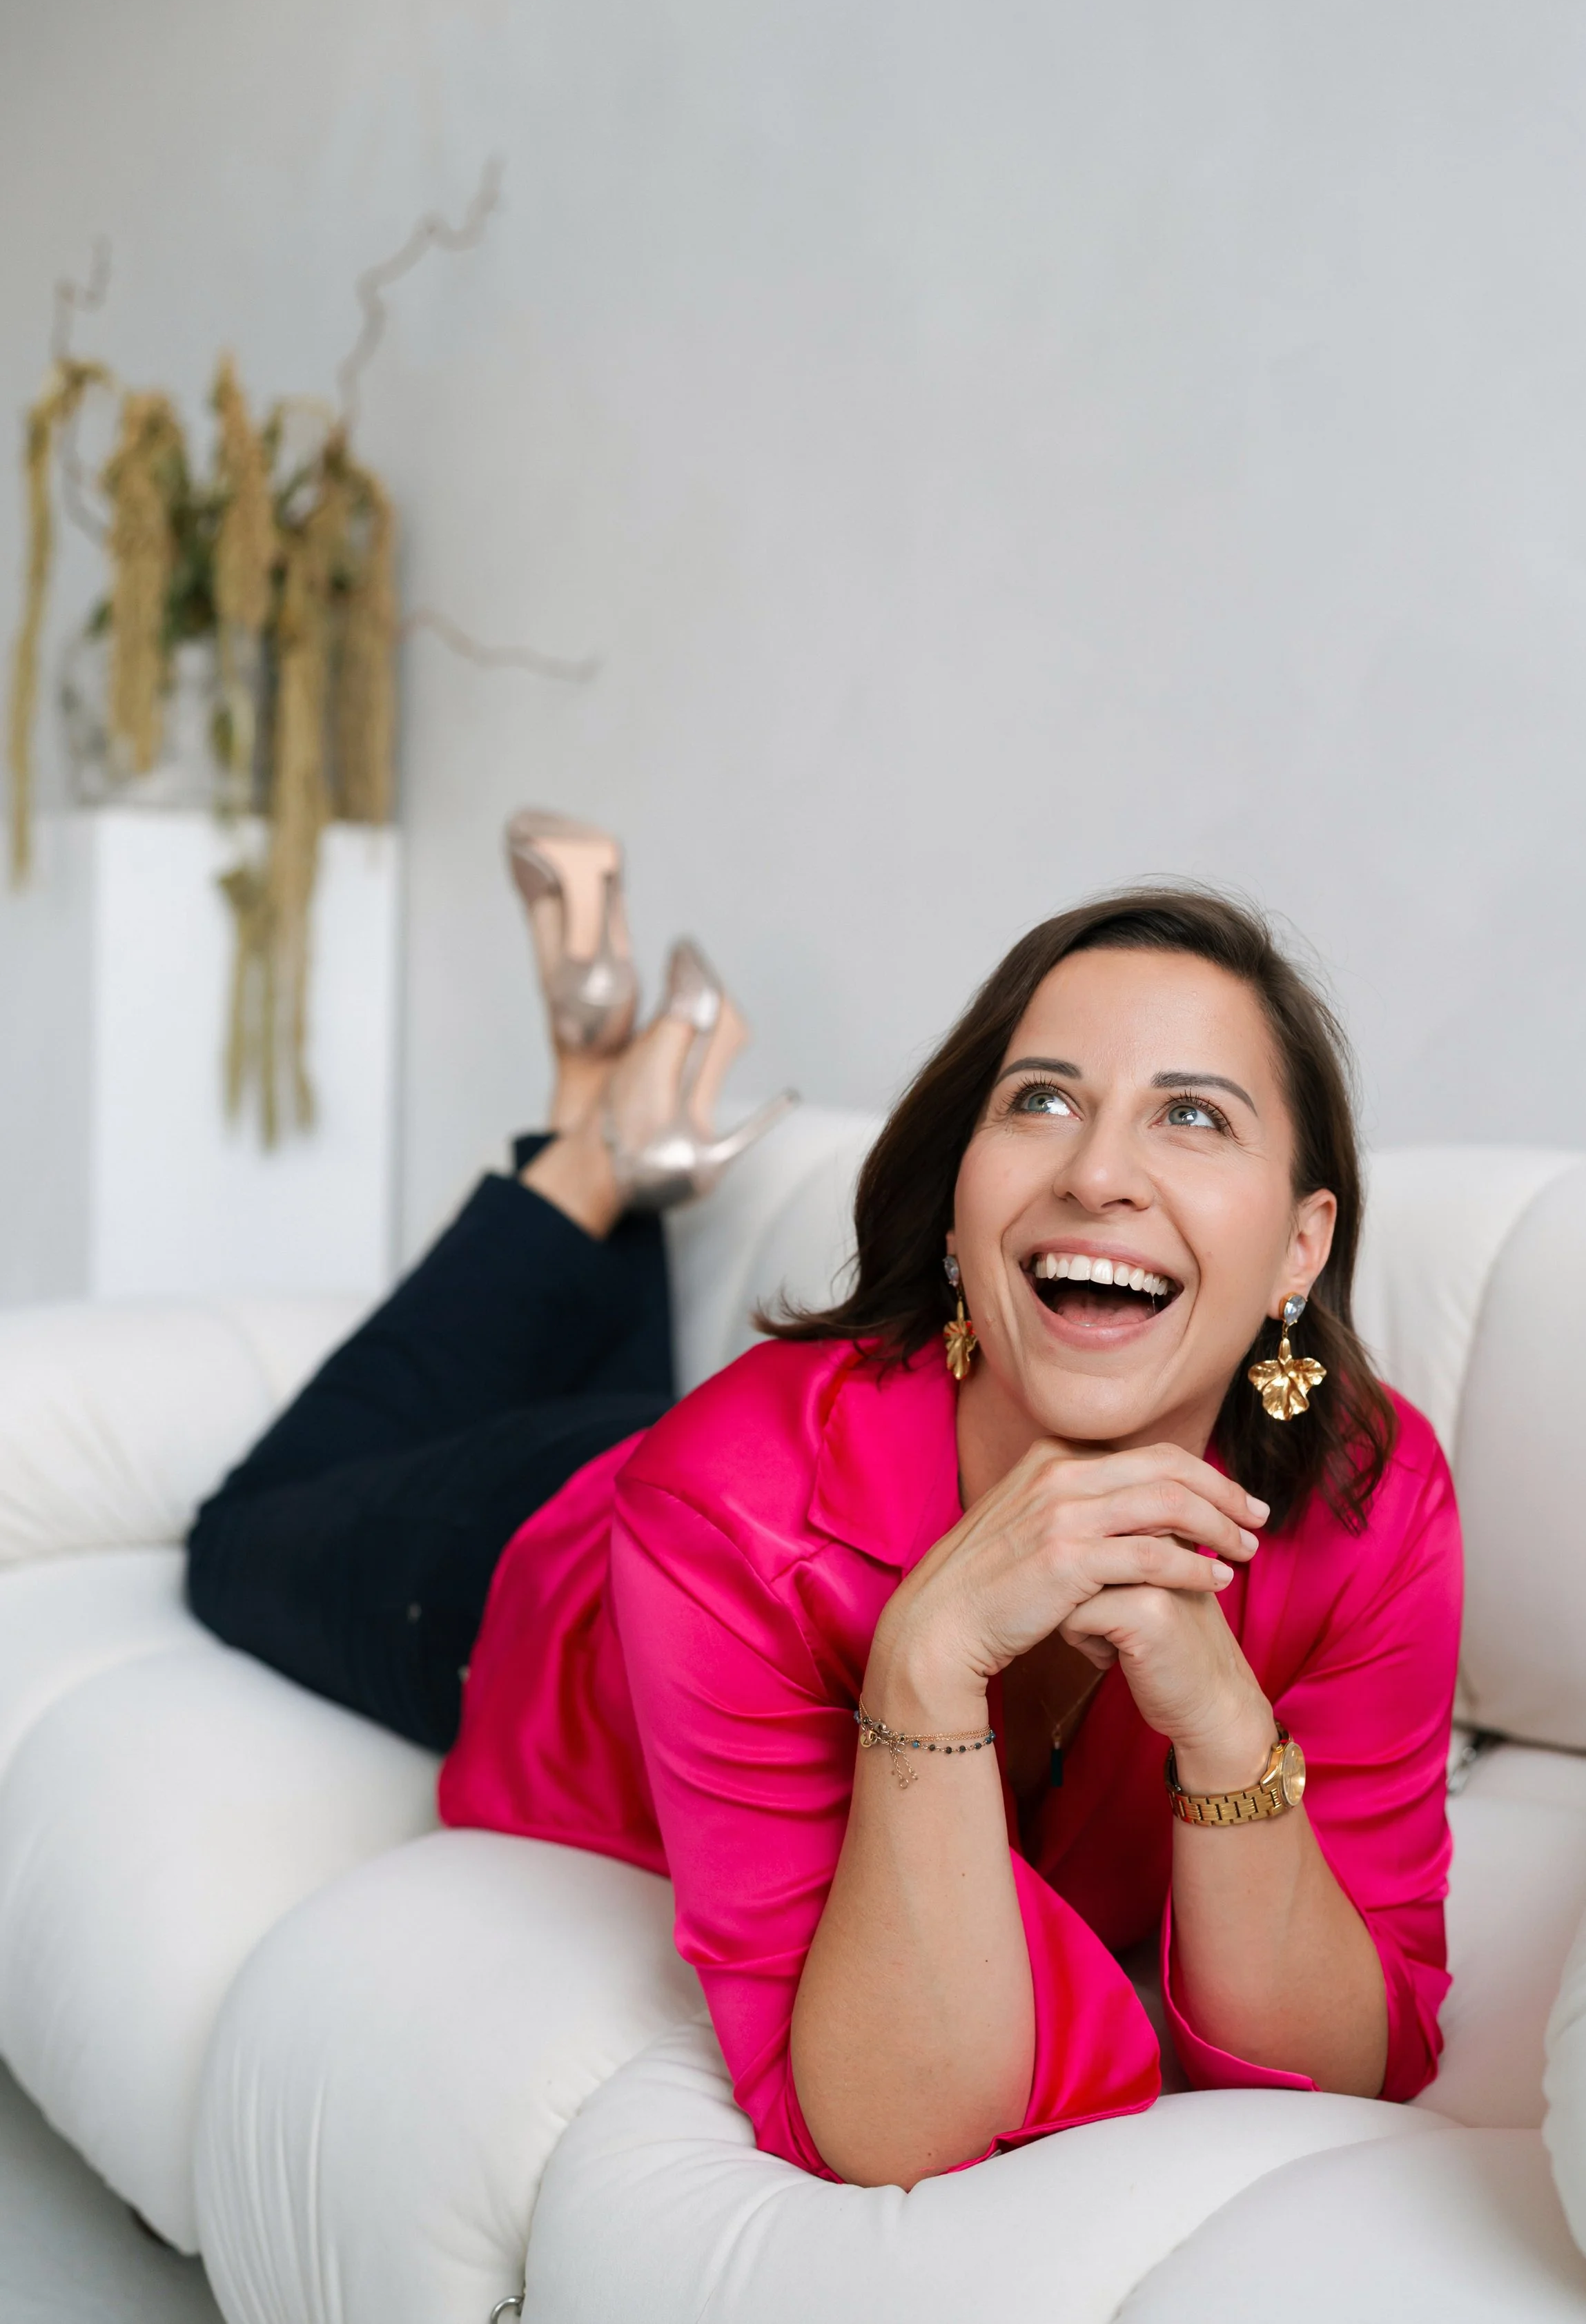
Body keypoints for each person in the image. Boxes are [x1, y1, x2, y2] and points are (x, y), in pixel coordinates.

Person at [192, 834, 1461, 2194]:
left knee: (660, 1417)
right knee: (236, 1540)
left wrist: (1222, 1731)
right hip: (532, 1563)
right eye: (1040, 1101)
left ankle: (613, 1110)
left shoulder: (1367, 1499)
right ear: (962, 1199)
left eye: (1192, 1116)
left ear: (1299, 1246)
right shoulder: (723, 1503)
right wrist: (924, 1658)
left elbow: (1348, 2058)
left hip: (727, 1466)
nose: (1098, 1174)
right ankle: (588, 1149)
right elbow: (893, 2123)